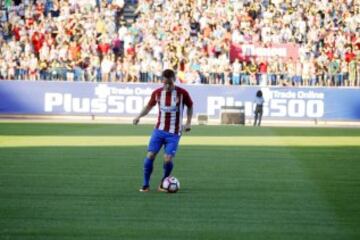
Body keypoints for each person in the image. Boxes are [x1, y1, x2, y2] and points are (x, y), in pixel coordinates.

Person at [133, 69, 193, 192]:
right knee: (150, 155)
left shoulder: (182, 93)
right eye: (165, 83)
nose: (167, 86)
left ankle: (164, 182)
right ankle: (145, 184)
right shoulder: (157, 93)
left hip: (174, 133)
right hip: (159, 131)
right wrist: (139, 116)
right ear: (162, 81)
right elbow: (148, 107)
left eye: (169, 83)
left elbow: (190, 106)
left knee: (168, 158)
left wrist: (188, 122)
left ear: (174, 80)